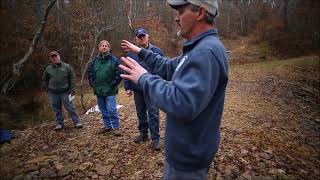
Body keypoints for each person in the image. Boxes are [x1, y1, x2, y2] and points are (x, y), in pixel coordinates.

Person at [120, 0, 228, 179]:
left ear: (200, 13)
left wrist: (144, 78)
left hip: (188, 160)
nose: (176, 18)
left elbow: (182, 103)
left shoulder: (206, 52)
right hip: (185, 153)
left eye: (180, 11)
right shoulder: (197, 49)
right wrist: (140, 52)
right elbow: (168, 67)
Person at [124, 28, 164, 151]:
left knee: (153, 113)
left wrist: (160, 84)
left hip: (151, 88)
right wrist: (127, 87)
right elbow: (127, 70)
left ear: (148, 36)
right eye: (139, 36)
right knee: (140, 112)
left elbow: (162, 67)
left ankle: (155, 139)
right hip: (137, 88)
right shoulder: (131, 53)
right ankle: (143, 134)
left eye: (143, 36)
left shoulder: (156, 51)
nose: (142, 38)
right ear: (136, 39)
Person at [87, 40, 122, 136]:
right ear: (99, 48)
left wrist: (112, 85)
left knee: (111, 109)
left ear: (109, 48)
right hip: (98, 90)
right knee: (103, 109)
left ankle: (116, 127)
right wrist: (93, 84)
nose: (104, 47)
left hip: (110, 90)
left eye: (106, 46)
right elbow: (90, 74)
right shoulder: (94, 61)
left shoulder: (114, 60)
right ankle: (107, 126)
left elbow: (119, 74)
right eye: (102, 45)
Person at [42, 50, 83, 130]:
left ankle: (77, 122)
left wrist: (72, 89)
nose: (54, 58)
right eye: (52, 57)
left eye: (55, 56)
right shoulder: (48, 69)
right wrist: (48, 89)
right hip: (53, 93)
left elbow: (72, 78)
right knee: (56, 109)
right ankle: (59, 124)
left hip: (65, 92)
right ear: (50, 59)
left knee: (70, 107)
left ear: (59, 56)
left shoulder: (66, 67)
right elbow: (44, 79)